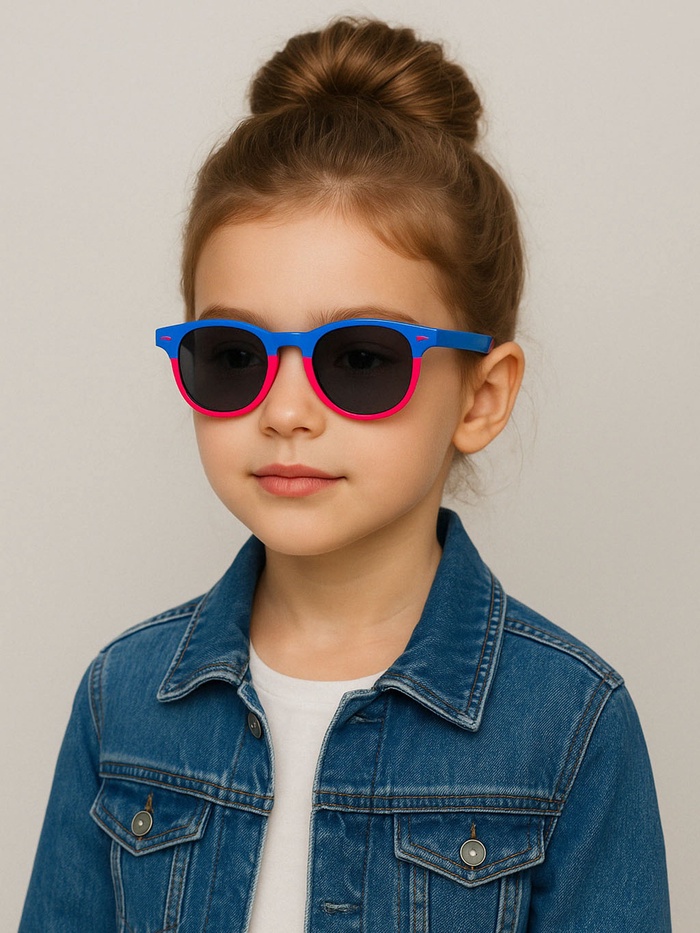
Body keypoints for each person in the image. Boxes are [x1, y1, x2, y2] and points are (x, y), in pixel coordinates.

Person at [20, 17, 671, 932]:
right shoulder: (120, 700)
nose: (285, 410)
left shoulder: (570, 723)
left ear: (481, 395)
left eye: (360, 358)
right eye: (234, 355)